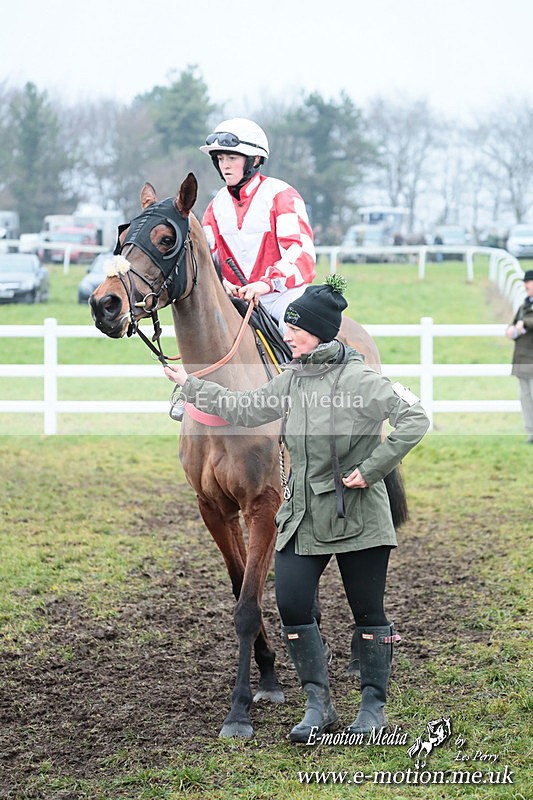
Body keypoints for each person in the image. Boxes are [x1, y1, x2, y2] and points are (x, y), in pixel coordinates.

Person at [164, 275, 430, 742]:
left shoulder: (363, 380)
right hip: (302, 518)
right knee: (290, 604)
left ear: (319, 333)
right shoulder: (291, 380)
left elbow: (416, 417)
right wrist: (191, 385)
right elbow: (242, 407)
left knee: (368, 613)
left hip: (358, 520)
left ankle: (372, 709)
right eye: (287, 329)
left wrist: (374, 468)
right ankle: (317, 705)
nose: (285, 336)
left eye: (295, 329)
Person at [199, 117, 316, 328]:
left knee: (296, 328)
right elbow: (209, 259)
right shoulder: (214, 207)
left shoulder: (282, 195)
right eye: (220, 158)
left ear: (254, 160)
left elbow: (300, 254)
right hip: (235, 299)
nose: (225, 165)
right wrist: (223, 283)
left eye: (232, 158)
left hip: (280, 298)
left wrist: (265, 283)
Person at [506, 269, 533, 443]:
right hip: (523, 358)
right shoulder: (524, 306)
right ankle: (531, 432)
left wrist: (525, 324)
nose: (525, 286)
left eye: (528, 282)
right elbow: (514, 324)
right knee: (525, 396)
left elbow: (526, 323)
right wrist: (511, 329)